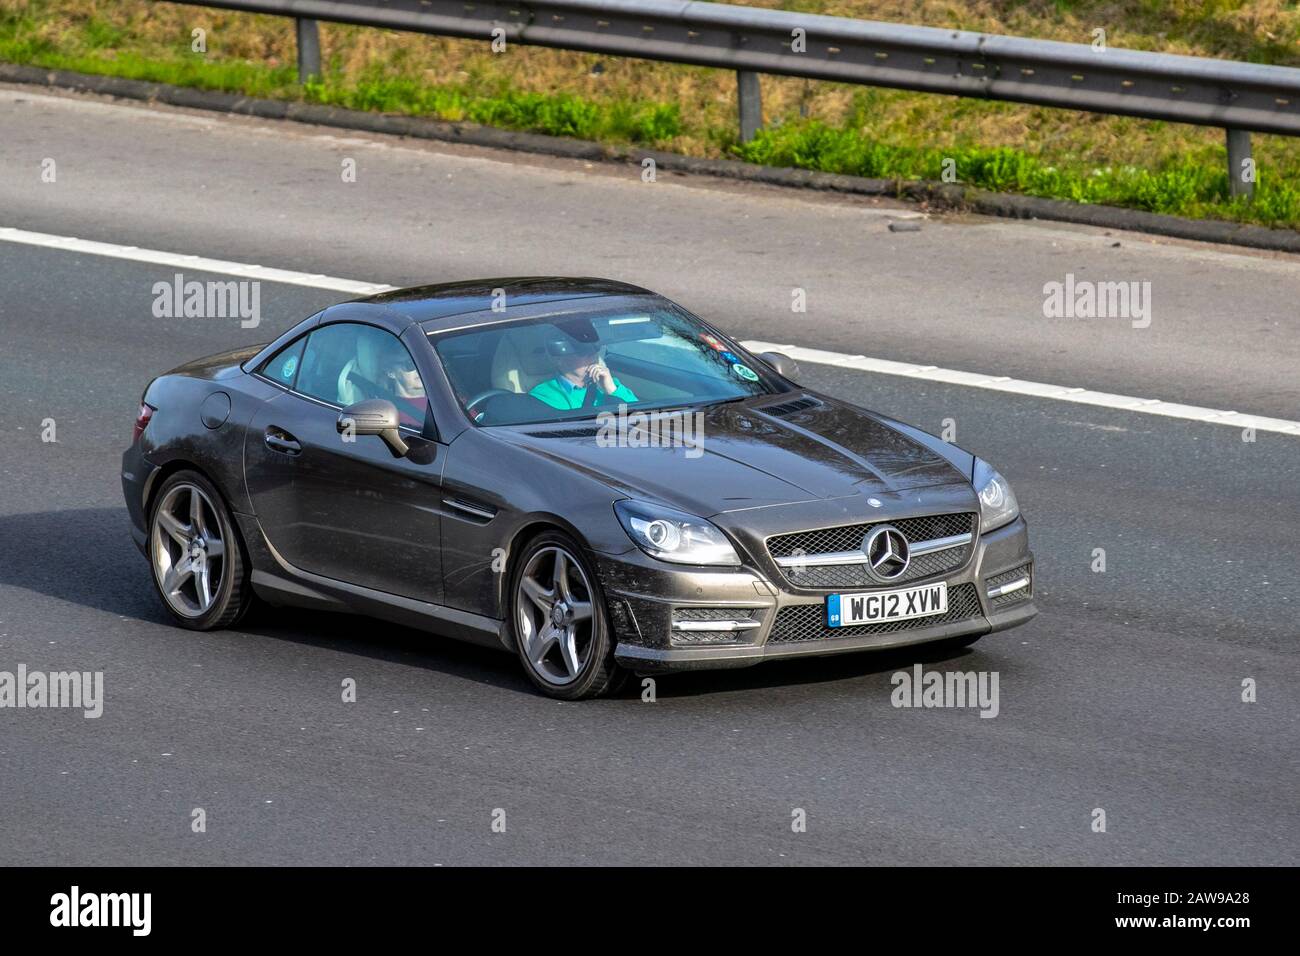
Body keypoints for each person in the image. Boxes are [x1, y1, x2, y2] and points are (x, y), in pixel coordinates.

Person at [530, 338, 637, 410]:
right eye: (582, 352)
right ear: (559, 359)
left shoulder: (609, 383)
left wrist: (611, 390)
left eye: (594, 349)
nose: (593, 355)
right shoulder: (544, 395)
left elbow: (638, 419)